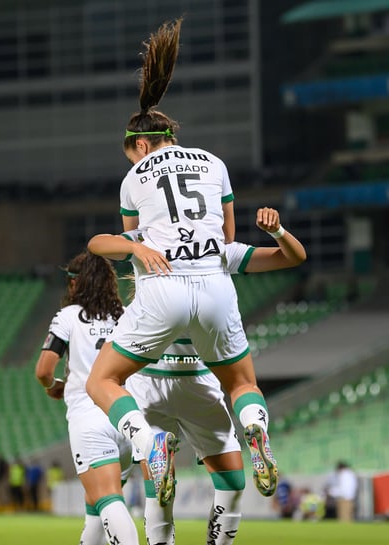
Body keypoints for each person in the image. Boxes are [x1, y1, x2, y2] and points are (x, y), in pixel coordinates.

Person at [86, 18, 303, 517]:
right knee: (242, 384)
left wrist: (139, 248)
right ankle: (257, 430)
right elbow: (226, 238)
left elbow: (122, 240)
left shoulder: (134, 176)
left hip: (164, 289)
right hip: (214, 283)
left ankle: (147, 443)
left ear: (140, 146)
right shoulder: (213, 162)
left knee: (104, 382)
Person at [86, 214, 306, 545]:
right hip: (197, 381)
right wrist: (277, 231)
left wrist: (133, 247)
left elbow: (98, 243)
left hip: (150, 383)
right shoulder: (216, 251)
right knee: (231, 482)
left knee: (161, 488)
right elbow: (292, 257)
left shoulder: (152, 243)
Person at [35, 251, 155, 545]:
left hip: (89, 418)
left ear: (76, 282)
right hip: (125, 416)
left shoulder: (69, 316)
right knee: (96, 505)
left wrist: (53, 385)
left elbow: (44, 368)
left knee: (106, 499)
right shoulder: (125, 315)